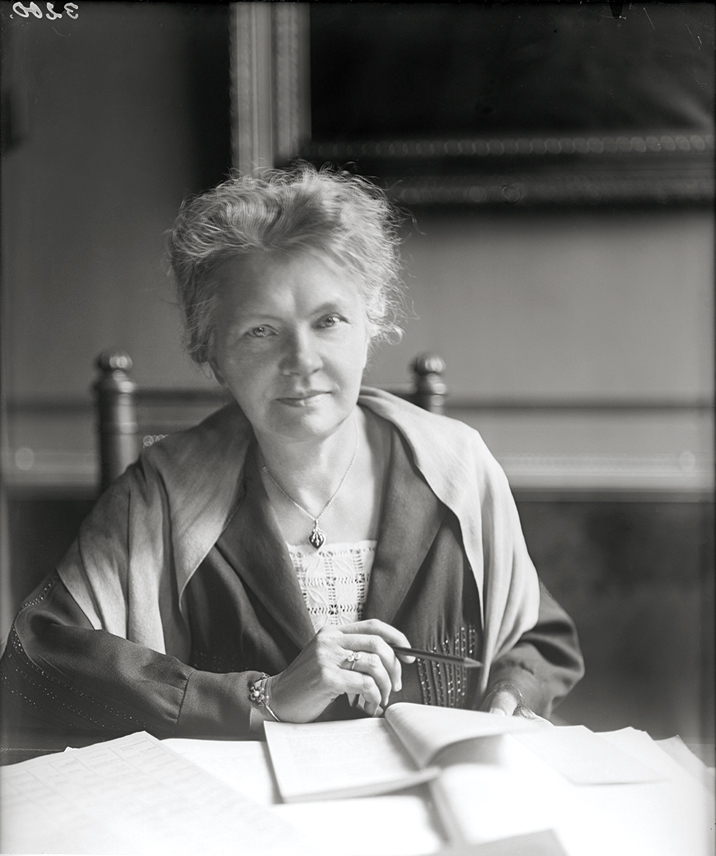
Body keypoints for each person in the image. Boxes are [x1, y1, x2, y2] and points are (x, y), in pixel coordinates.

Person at [0, 165, 583, 738]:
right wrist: (263, 698)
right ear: (213, 353)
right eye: (261, 330)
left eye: (328, 321)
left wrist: (512, 694)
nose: (301, 360)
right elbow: (36, 660)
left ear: (369, 324)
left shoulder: (458, 471)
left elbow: (538, 636)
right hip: (244, 825)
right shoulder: (162, 495)